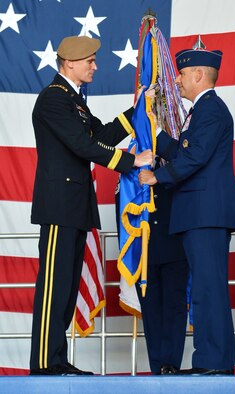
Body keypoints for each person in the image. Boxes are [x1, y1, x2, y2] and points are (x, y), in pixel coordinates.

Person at [29, 35, 153, 376]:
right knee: (54, 287)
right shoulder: (54, 100)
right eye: (90, 61)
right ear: (70, 63)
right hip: (58, 209)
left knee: (67, 288)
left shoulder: (75, 102)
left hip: (74, 207)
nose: (95, 66)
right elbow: (84, 145)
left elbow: (104, 134)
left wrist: (138, 109)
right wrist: (130, 162)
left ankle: (55, 359)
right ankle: (43, 362)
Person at [139, 43, 235, 375]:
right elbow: (186, 150)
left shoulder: (210, 109)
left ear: (199, 75)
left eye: (183, 75)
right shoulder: (199, 112)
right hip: (199, 215)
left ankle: (212, 363)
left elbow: (195, 156)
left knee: (208, 289)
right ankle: (212, 361)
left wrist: (157, 178)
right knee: (205, 288)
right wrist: (155, 133)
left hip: (206, 215)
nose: (179, 82)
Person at [115, 160, 189, 375]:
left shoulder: (176, 163)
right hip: (143, 251)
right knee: (152, 311)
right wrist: (128, 252)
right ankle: (157, 366)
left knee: (174, 309)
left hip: (175, 244)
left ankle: (171, 364)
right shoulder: (129, 171)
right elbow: (122, 209)